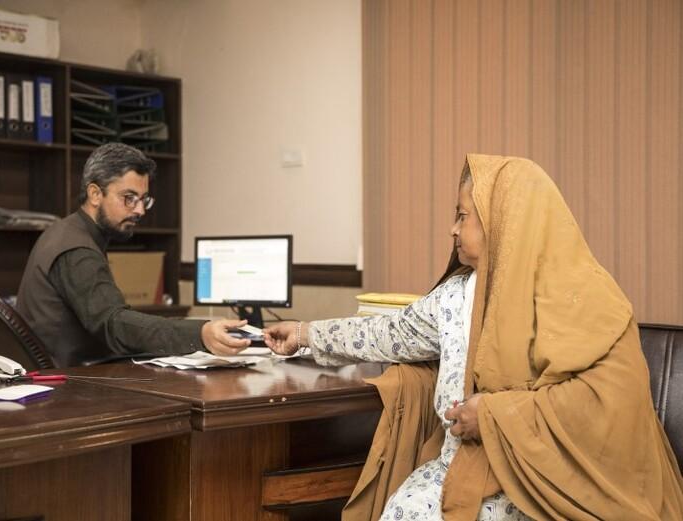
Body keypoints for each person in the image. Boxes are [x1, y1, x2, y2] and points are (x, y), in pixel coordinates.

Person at [265, 154, 683, 520]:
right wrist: (305, 333)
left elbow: (607, 403)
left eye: (464, 216)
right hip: (464, 465)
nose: (452, 228)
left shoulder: (584, 296)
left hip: (548, 480)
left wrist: (495, 415)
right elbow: (389, 332)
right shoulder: (456, 294)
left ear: (505, 221)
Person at [17, 142, 250, 367]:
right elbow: (114, 324)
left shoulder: (67, 232)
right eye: (129, 198)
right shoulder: (77, 251)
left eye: (143, 200)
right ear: (95, 194)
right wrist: (200, 333)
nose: (139, 210)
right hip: (66, 387)